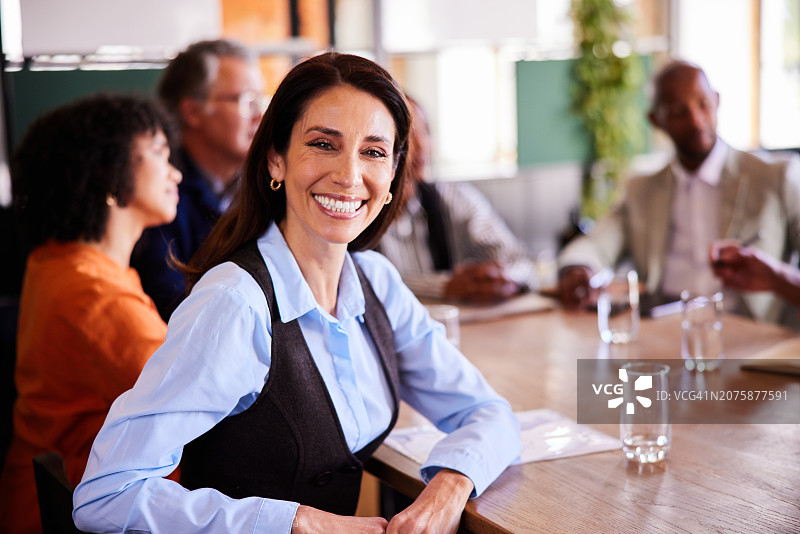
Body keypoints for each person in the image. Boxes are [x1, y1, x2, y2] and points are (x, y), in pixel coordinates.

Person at [73, 52, 521, 533]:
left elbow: (489, 412)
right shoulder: (234, 303)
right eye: (324, 144)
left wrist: (450, 484)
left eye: (373, 152)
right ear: (275, 159)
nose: (349, 175)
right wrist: (297, 522)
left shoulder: (376, 281)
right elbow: (105, 494)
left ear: (393, 177)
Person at [0, 94, 181, 534]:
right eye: (158, 154)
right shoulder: (95, 295)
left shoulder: (57, 261)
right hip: (71, 516)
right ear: (108, 172)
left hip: (46, 500)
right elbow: (190, 400)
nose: (175, 172)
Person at [557, 60, 800, 324]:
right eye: (677, 111)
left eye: (702, 104)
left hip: (754, 337)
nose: (695, 120)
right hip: (663, 332)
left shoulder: (776, 177)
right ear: (655, 120)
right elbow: (598, 244)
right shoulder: (641, 190)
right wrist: (579, 268)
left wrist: (777, 278)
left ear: (717, 101)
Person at [131, 39, 267, 321]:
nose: (261, 115)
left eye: (261, 101)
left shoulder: (271, 183)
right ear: (193, 111)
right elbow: (172, 304)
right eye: (246, 101)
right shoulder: (157, 192)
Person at [378, 98, 537, 304]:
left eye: (425, 131)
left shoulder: (452, 197)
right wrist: (444, 286)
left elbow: (519, 259)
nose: (421, 145)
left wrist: (500, 278)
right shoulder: (357, 208)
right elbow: (362, 283)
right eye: (408, 134)